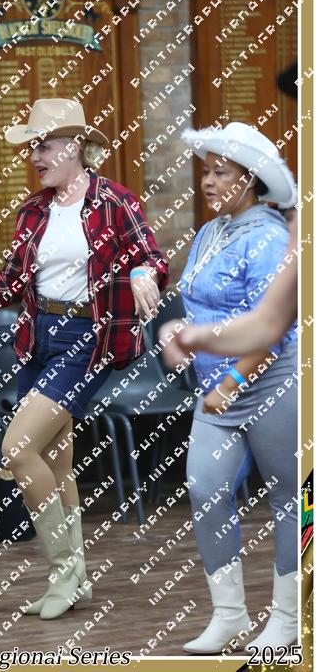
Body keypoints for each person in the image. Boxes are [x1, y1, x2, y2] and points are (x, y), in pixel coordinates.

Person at [0, 98, 169, 620]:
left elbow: (151, 257)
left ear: (74, 147)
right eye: (32, 147)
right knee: (54, 460)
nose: (34, 156)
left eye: (44, 146)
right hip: (39, 338)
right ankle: (76, 579)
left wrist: (142, 275)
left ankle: (62, 571)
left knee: (16, 449)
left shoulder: (114, 201)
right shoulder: (33, 210)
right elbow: (9, 281)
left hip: (88, 337)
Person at [171, 122, 298, 655]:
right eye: (206, 171)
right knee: (205, 490)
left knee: (291, 500)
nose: (208, 181)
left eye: (221, 172)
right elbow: (200, 306)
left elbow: (274, 330)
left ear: (251, 179)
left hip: (271, 384)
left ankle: (289, 618)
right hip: (215, 391)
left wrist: (232, 380)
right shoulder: (209, 232)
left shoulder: (269, 236)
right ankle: (229, 616)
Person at [159, 209, 298, 360]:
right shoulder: (208, 231)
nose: (290, 223)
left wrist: (232, 376)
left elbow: (272, 334)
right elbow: (267, 323)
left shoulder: (270, 235)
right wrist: (192, 336)